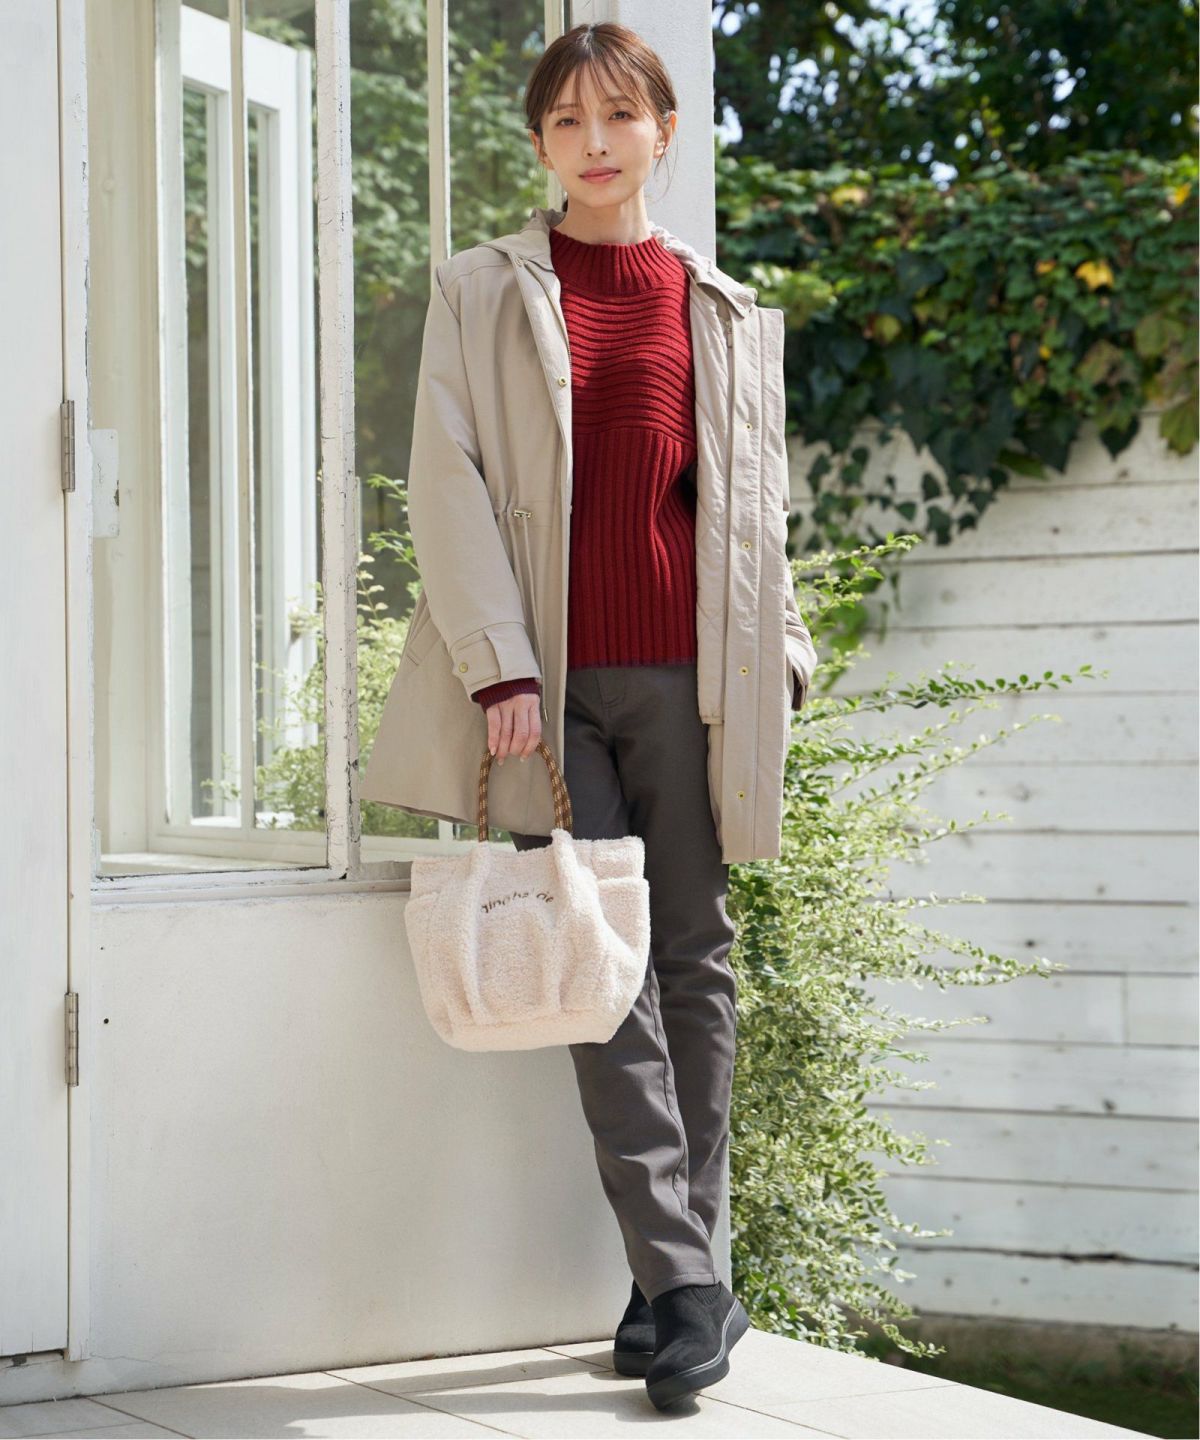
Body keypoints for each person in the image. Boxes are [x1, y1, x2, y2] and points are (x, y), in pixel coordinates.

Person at [364, 19, 818, 1414]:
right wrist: (499, 664)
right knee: (590, 962)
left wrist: (787, 654)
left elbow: (752, 507)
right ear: (541, 145)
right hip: (549, 690)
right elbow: (446, 479)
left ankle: (675, 1277)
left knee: (694, 959)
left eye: (620, 116)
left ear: (663, 131)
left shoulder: (720, 306)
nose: (596, 142)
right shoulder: (482, 290)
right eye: (567, 121)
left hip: (694, 683)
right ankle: (686, 1282)